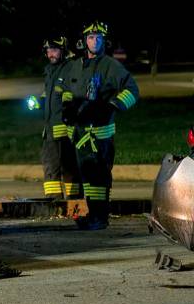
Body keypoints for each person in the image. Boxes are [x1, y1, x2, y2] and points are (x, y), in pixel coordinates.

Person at [62, 21, 139, 229]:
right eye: (90, 37)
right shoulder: (76, 66)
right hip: (79, 134)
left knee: (99, 177)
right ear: (83, 41)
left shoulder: (111, 65)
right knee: (87, 178)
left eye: (98, 38)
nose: (94, 41)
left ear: (104, 41)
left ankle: (100, 217)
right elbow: (68, 89)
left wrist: (112, 106)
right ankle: (93, 215)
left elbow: (132, 90)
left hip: (100, 133)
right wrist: (67, 107)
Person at [32, 36, 80, 199]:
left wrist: (68, 121)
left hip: (63, 129)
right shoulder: (50, 71)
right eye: (48, 50)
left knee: (60, 167)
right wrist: (38, 103)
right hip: (51, 129)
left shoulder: (70, 68)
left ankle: (59, 204)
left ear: (63, 51)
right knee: (60, 166)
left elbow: (72, 97)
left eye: (54, 50)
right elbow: (49, 97)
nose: (51, 54)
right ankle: (65, 202)